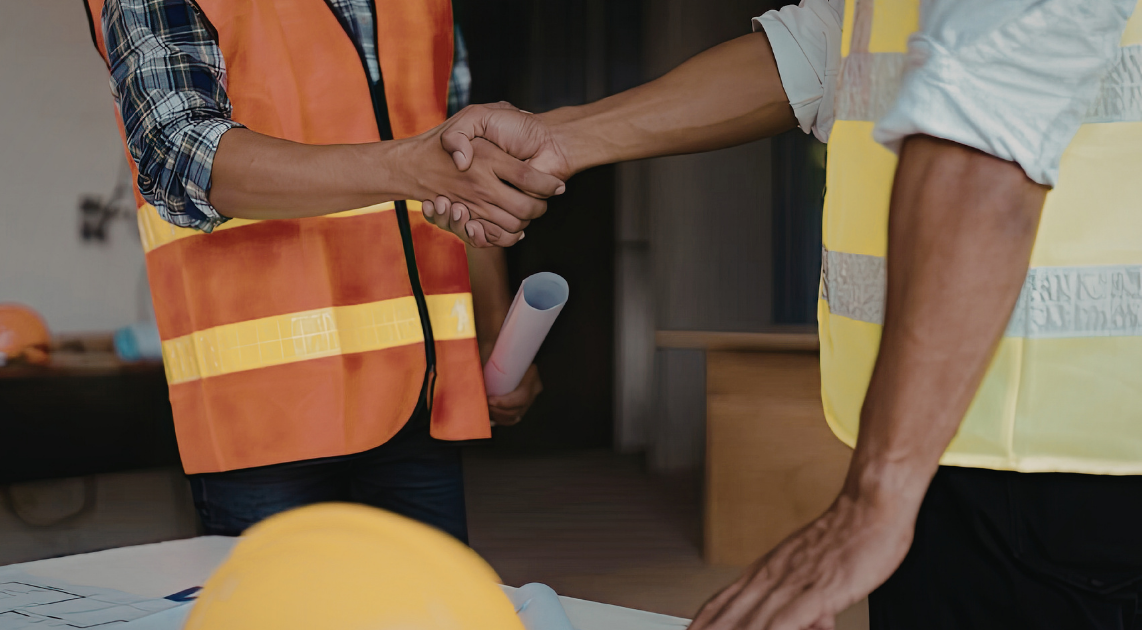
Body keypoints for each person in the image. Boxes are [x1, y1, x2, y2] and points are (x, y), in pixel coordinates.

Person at [431, 0, 1142, 627]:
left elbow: (984, 137)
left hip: (1078, 455)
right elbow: (837, 47)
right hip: (955, 441)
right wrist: (565, 138)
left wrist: (876, 498)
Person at [81, 0, 559, 543]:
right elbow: (180, 157)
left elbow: (464, 167)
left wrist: (497, 333)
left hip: (421, 400)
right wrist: (407, 168)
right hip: (265, 416)